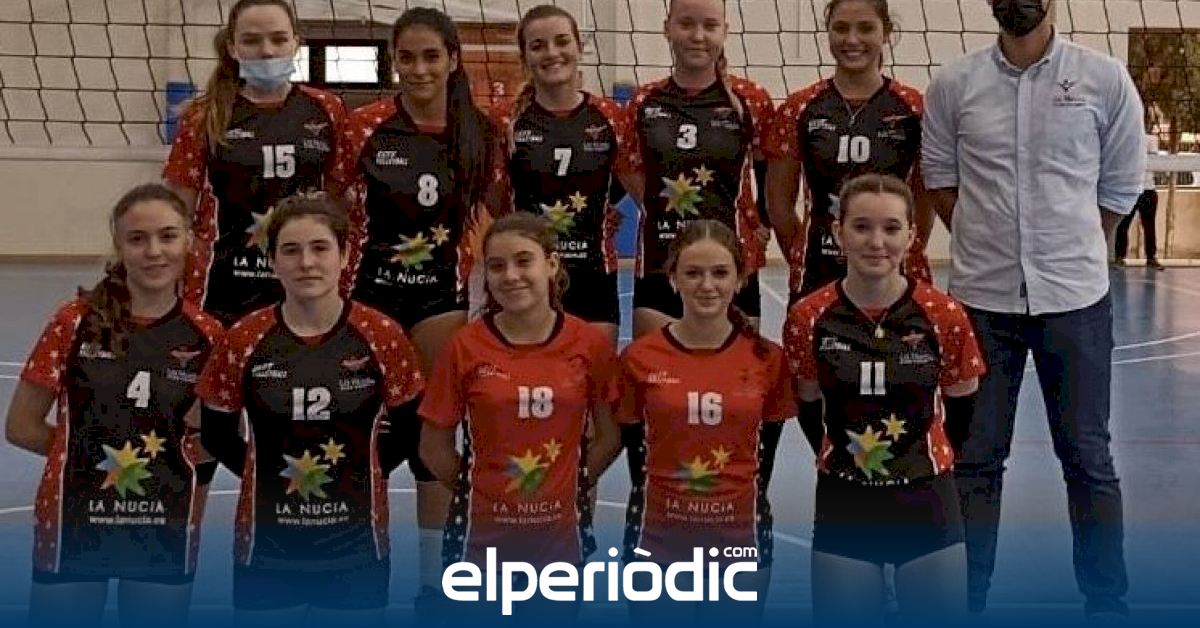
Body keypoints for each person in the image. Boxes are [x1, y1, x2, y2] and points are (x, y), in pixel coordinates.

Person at [921, 0, 1146, 617]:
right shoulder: (955, 84)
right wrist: (987, 239)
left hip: (1075, 300)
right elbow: (940, 178)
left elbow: (1121, 183)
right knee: (976, 458)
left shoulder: (1103, 79)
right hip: (982, 301)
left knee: (1088, 457)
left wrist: (1071, 245)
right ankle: (967, 598)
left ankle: (1106, 600)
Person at [330, 7, 496, 607]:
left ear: (453, 60)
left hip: (439, 301)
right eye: (407, 57)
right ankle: (350, 565)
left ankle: (435, 582)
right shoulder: (365, 127)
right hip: (368, 297)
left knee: (434, 438)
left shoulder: (479, 132)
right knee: (360, 440)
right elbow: (331, 207)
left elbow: (498, 210)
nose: (420, 68)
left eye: (431, 56)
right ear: (394, 62)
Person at [196, 194, 423, 624]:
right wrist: (262, 473)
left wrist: (363, 471)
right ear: (272, 261)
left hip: (357, 547)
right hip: (266, 548)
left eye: (320, 248)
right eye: (291, 250)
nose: (307, 263)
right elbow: (216, 433)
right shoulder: (243, 339)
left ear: (345, 255)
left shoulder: (382, 335)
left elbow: (411, 430)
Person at [5, 184, 223, 626]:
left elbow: (216, 441)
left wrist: (173, 478)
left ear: (189, 241)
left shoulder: (208, 337)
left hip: (163, 520)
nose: (154, 251)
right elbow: (22, 426)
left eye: (167, 236)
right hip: (74, 518)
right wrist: (84, 458)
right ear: (119, 246)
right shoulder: (74, 322)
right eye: (137, 239)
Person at [784, 174, 984, 625]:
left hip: (926, 500)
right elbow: (809, 406)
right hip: (845, 503)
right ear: (838, 233)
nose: (877, 242)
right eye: (861, 227)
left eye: (891, 228)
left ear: (912, 236)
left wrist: (917, 459)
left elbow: (963, 410)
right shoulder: (808, 317)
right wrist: (849, 457)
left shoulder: (944, 315)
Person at [418, 212, 622, 619]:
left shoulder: (589, 344)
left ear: (552, 264)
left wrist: (571, 484)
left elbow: (610, 435)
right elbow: (432, 447)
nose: (511, 276)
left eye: (523, 261)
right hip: (479, 543)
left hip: (559, 544)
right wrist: (478, 490)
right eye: (497, 266)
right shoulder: (465, 346)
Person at [618, 219, 793, 624]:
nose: (707, 285)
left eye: (720, 273)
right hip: (657, 537)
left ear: (740, 279)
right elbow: (633, 451)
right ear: (673, 279)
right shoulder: (638, 359)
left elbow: (764, 457)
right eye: (693, 273)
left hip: (740, 537)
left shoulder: (769, 360)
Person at [163, 0, 346, 325]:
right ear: (232, 48)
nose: (267, 51)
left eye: (278, 38)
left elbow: (339, 201)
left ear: (296, 43)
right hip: (222, 284)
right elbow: (177, 212)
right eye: (251, 40)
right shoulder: (205, 116)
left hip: (304, 280)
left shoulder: (327, 109)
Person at [617, 0, 775, 337]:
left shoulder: (751, 99)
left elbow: (769, 165)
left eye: (710, 25)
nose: (698, 36)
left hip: (732, 258)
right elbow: (627, 167)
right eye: (686, 24)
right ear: (667, 28)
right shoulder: (644, 101)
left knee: (736, 365)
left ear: (725, 31)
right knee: (657, 365)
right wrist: (660, 204)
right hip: (661, 258)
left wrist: (763, 218)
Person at [764, 0, 933, 302]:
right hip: (818, 273)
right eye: (841, 28)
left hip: (895, 276)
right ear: (828, 32)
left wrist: (897, 251)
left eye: (865, 28)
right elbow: (779, 205)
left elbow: (923, 203)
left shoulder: (914, 109)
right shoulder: (799, 108)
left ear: (886, 33)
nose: (852, 39)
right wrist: (801, 255)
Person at [490, 5, 632, 345]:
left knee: (593, 372)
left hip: (593, 276)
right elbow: (495, 201)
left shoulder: (612, 118)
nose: (552, 53)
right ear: (524, 57)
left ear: (579, 47)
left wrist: (602, 213)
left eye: (562, 41)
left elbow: (627, 183)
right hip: (525, 277)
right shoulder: (504, 121)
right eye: (538, 46)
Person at [1114, 132, 1164, 270]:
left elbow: (1153, 161)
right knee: (1123, 224)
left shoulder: (1151, 139)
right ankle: (1119, 256)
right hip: (1129, 188)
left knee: (1149, 225)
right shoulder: (1124, 137)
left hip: (1147, 188)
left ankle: (1151, 257)